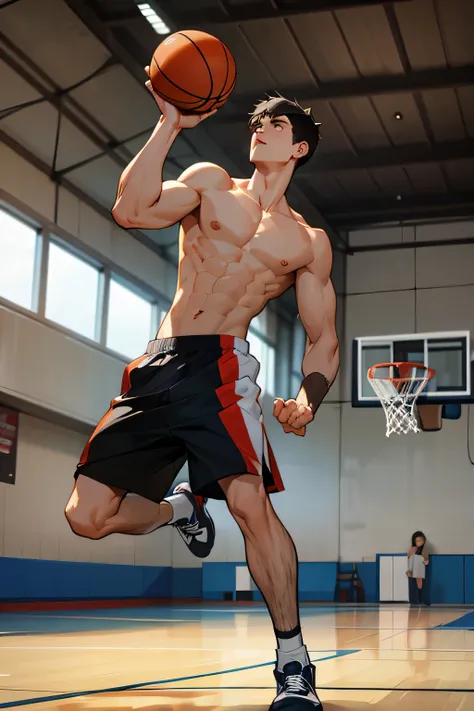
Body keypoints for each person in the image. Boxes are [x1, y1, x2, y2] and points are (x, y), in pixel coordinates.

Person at [64, 69, 339, 710]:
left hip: (223, 367)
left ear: (298, 148)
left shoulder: (306, 242)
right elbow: (130, 210)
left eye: (276, 124)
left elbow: (322, 336)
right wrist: (169, 125)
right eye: (257, 121)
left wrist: (308, 399)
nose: (260, 128)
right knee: (87, 518)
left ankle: (293, 661)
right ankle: (180, 510)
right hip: (158, 363)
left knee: (248, 505)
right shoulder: (211, 184)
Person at [406, 531, 429, 605]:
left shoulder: (425, 549)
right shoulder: (412, 549)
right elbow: (409, 559)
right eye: (417, 541)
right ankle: (414, 602)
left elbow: (426, 559)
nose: (419, 542)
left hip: (421, 571)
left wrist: (426, 562)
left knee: (421, 586)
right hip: (413, 571)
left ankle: (422, 601)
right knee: (413, 587)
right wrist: (409, 570)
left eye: (421, 540)